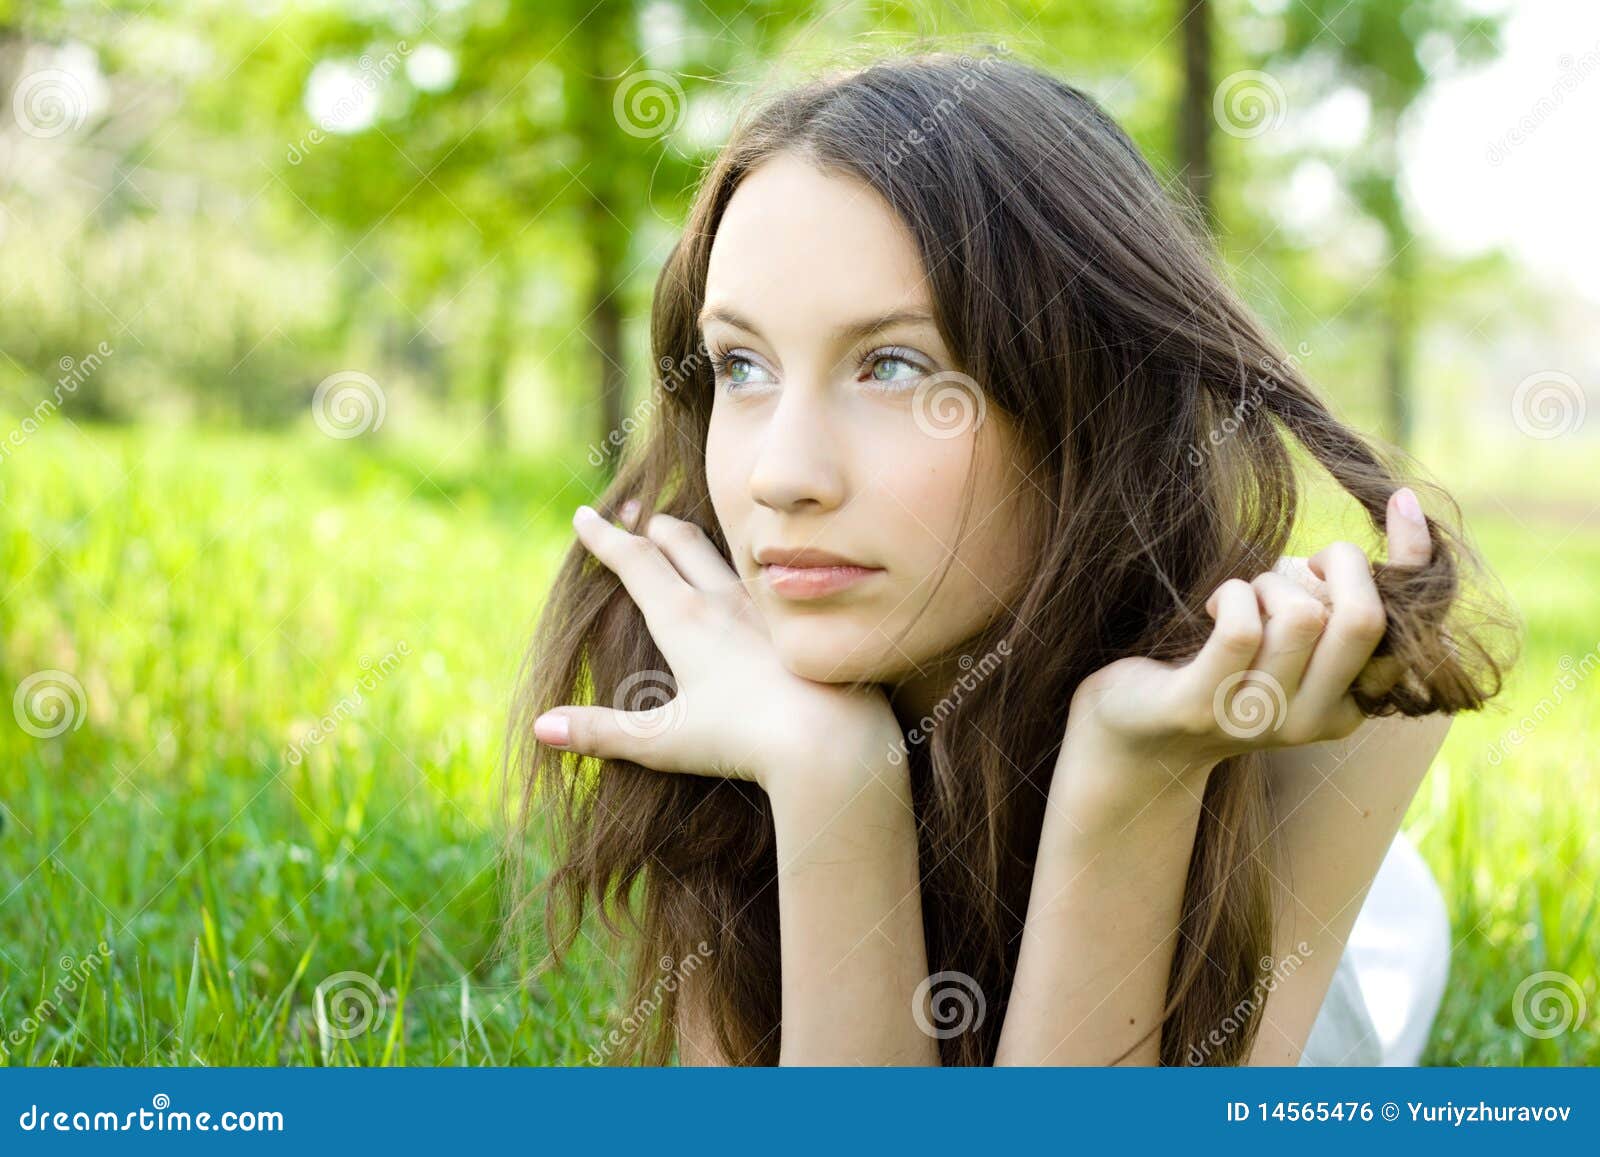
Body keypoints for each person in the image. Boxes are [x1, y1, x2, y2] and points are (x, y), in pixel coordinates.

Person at [500, 51, 1512, 1066]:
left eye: (894, 364)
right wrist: (828, 778)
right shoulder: (716, 666)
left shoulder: (1307, 697)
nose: (779, 475)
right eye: (741, 365)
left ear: (1091, 401)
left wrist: (1134, 774)